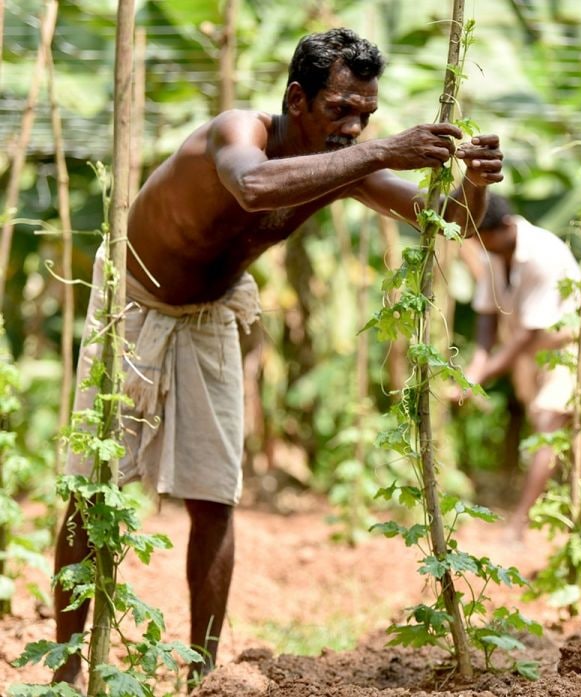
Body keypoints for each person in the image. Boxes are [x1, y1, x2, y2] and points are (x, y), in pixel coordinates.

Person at [53, 27, 504, 686]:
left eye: (366, 116)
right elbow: (254, 188)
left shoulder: (343, 167)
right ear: (297, 98)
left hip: (211, 312)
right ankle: (65, 675)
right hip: (133, 301)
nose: (353, 128)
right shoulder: (239, 135)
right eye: (340, 110)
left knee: (214, 495)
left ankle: (204, 676)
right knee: (91, 490)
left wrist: (476, 180)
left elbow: (454, 221)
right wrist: (382, 148)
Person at [452, 194, 581, 541]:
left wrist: (480, 378)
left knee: (548, 422)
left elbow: (526, 335)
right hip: (531, 350)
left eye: (485, 235)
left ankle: (519, 524)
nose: (481, 244)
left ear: (507, 227)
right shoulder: (493, 253)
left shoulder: (542, 254)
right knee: (560, 434)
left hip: (572, 345)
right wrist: (475, 370)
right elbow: (486, 320)